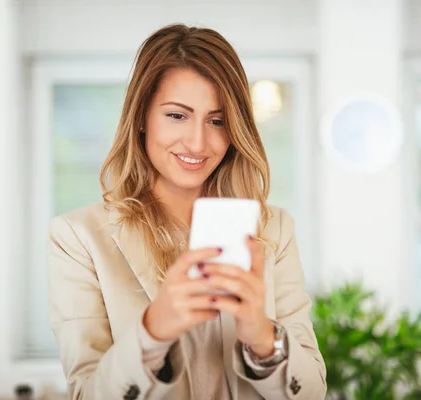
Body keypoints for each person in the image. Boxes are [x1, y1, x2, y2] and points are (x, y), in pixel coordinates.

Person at [47, 23, 326, 400]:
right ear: (142, 118)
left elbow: (310, 393)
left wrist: (262, 337)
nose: (197, 141)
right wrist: (153, 331)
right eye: (177, 115)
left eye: (217, 120)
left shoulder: (273, 228)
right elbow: (87, 393)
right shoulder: (77, 237)